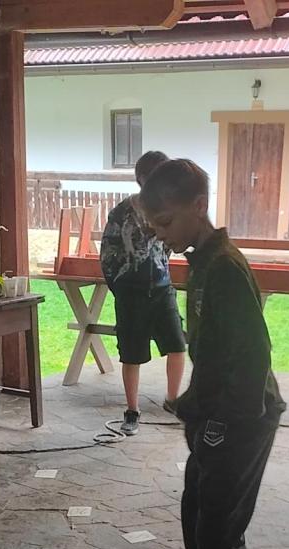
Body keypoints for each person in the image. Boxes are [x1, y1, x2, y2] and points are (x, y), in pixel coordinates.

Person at [139, 159, 289, 549]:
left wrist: (223, 423)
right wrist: (194, 404)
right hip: (216, 413)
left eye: (165, 222)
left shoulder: (224, 267)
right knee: (195, 507)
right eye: (154, 226)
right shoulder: (200, 260)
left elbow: (253, 354)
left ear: (199, 206)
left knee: (217, 531)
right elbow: (212, 349)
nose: (160, 235)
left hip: (245, 417)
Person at [100, 150, 188, 436]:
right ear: (142, 179)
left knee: (177, 345)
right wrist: (121, 287)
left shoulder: (169, 211)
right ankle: (132, 410)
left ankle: (173, 401)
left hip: (162, 289)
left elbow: (174, 245)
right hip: (131, 293)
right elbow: (108, 254)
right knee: (131, 354)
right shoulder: (122, 212)